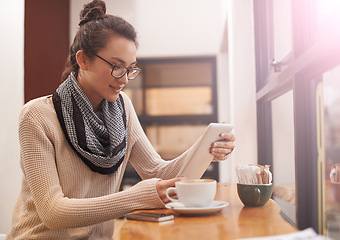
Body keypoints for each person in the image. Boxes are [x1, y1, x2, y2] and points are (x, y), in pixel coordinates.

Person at [7, 0, 235, 239]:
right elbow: (54, 212)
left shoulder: (122, 107)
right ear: (83, 60)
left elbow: (157, 172)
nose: (124, 79)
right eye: (117, 66)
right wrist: (138, 196)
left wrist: (206, 147)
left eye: (131, 69)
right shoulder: (37, 116)